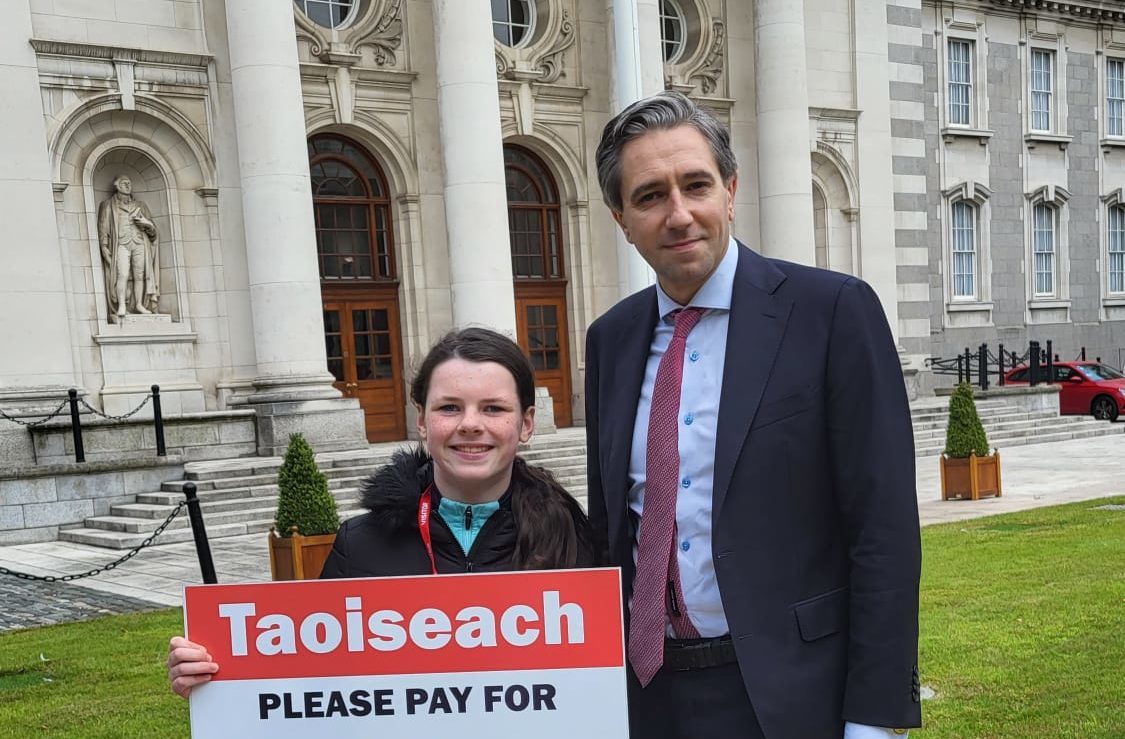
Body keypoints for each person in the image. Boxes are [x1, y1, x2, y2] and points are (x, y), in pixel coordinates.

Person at [584, 90, 921, 738]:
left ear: (730, 190)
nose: (679, 214)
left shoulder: (831, 313)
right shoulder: (611, 339)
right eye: (650, 195)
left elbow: (882, 533)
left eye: (695, 185)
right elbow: (611, 528)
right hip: (646, 697)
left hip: (788, 698)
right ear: (620, 217)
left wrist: (873, 720)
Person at [168, 327, 595, 698]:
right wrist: (218, 681)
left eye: (493, 408)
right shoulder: (360, 545)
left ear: (526, 423)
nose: (469, 424)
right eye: (449, 407)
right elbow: (304, 684)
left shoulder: (573, 536)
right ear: (422, 421)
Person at [97, 175, 160, 322]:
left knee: (140, 276)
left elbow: (153, 230)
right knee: (123, 274)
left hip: (139, 242)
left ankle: (138, 304)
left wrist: (146, 223)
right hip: (121, 243)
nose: (127, 185)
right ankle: (121, 305)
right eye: (124, 183)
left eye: (129, 183)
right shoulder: (108, 205)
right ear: (116, 185)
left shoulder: (140, 205)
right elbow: (103, 226)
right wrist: (104, 245)